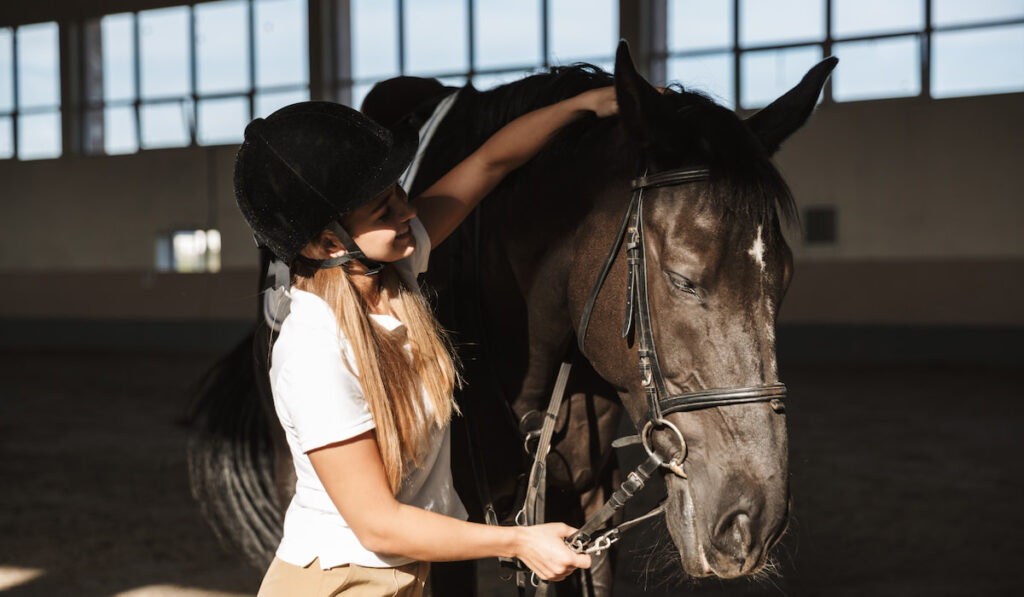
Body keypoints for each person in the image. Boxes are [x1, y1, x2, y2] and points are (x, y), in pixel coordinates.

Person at [233, 87, 618, 597]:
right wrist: (519, 541)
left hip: (395, 578)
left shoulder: (395, 271)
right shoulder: (314, 347)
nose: (405, 209)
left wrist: (584, 104)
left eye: (397, 191)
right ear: (329, 243)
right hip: (340, 583)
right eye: (382, 208)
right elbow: (378, 525)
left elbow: (490, 162)